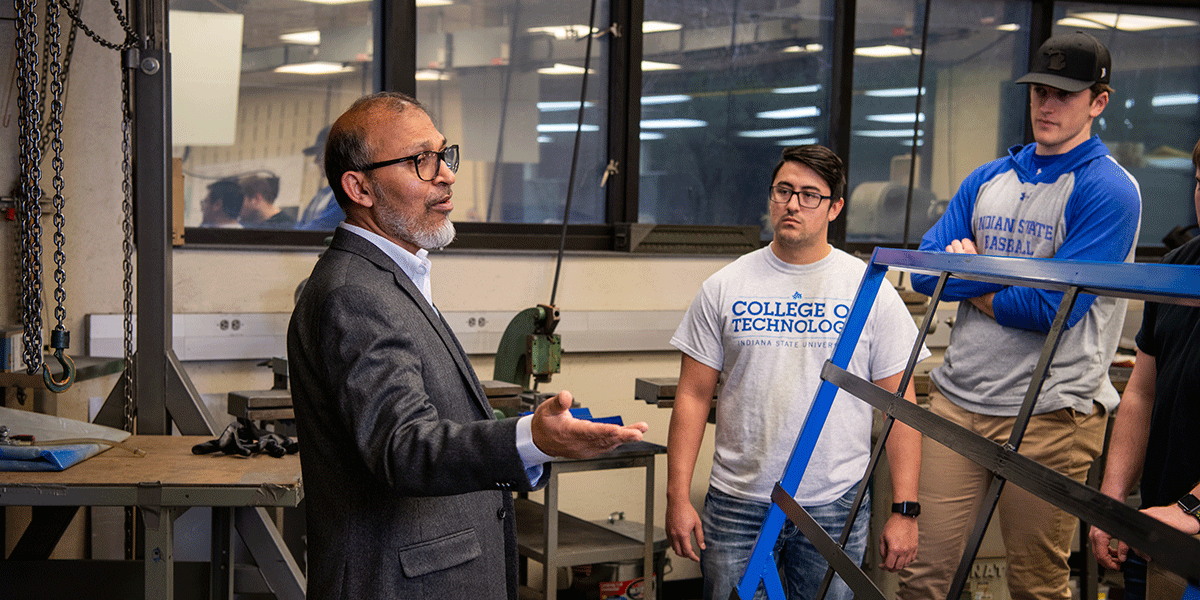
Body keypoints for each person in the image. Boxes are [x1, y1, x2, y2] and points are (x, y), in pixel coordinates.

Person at [287, 91, 649, 600]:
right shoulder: (355, 293)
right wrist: (530, 439)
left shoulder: (391, 278)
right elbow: (404, 447)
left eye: (443, 155)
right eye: (421, 160)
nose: (446, 175)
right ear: (359, 187)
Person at [897, 30, 1142, 600]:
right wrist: (1014, 277)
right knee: (924, 576)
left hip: (1051, 414)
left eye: (1064, 95)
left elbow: (1049, 311)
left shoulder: (1108, 190)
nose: (1047, 106)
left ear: (1099, 101)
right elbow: (926, 275)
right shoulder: (987, 179)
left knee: (1036, 585)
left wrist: (971, 273)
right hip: (958, 403)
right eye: (1039, 92)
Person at [666, 144, 929, 600]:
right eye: (783, 191)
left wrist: (905, 509)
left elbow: (900, 406)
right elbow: (692, 395)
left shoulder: (869, 290)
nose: (793, 204)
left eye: (810, 195)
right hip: (738, 502)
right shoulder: (724, 286)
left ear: (835, 208)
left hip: (834, 503)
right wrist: (677, 497)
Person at [1088, 138, 1200, 600]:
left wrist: (1192, 508)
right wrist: (1113, 500)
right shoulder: (1175, 271)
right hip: (1160, 526)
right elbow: (1140, 395)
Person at [295, 124, 345, 229]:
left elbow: (320, 226)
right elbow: (301, 226)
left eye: (320, 154)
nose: (315, 160)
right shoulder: (322, 194)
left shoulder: (346, 195)